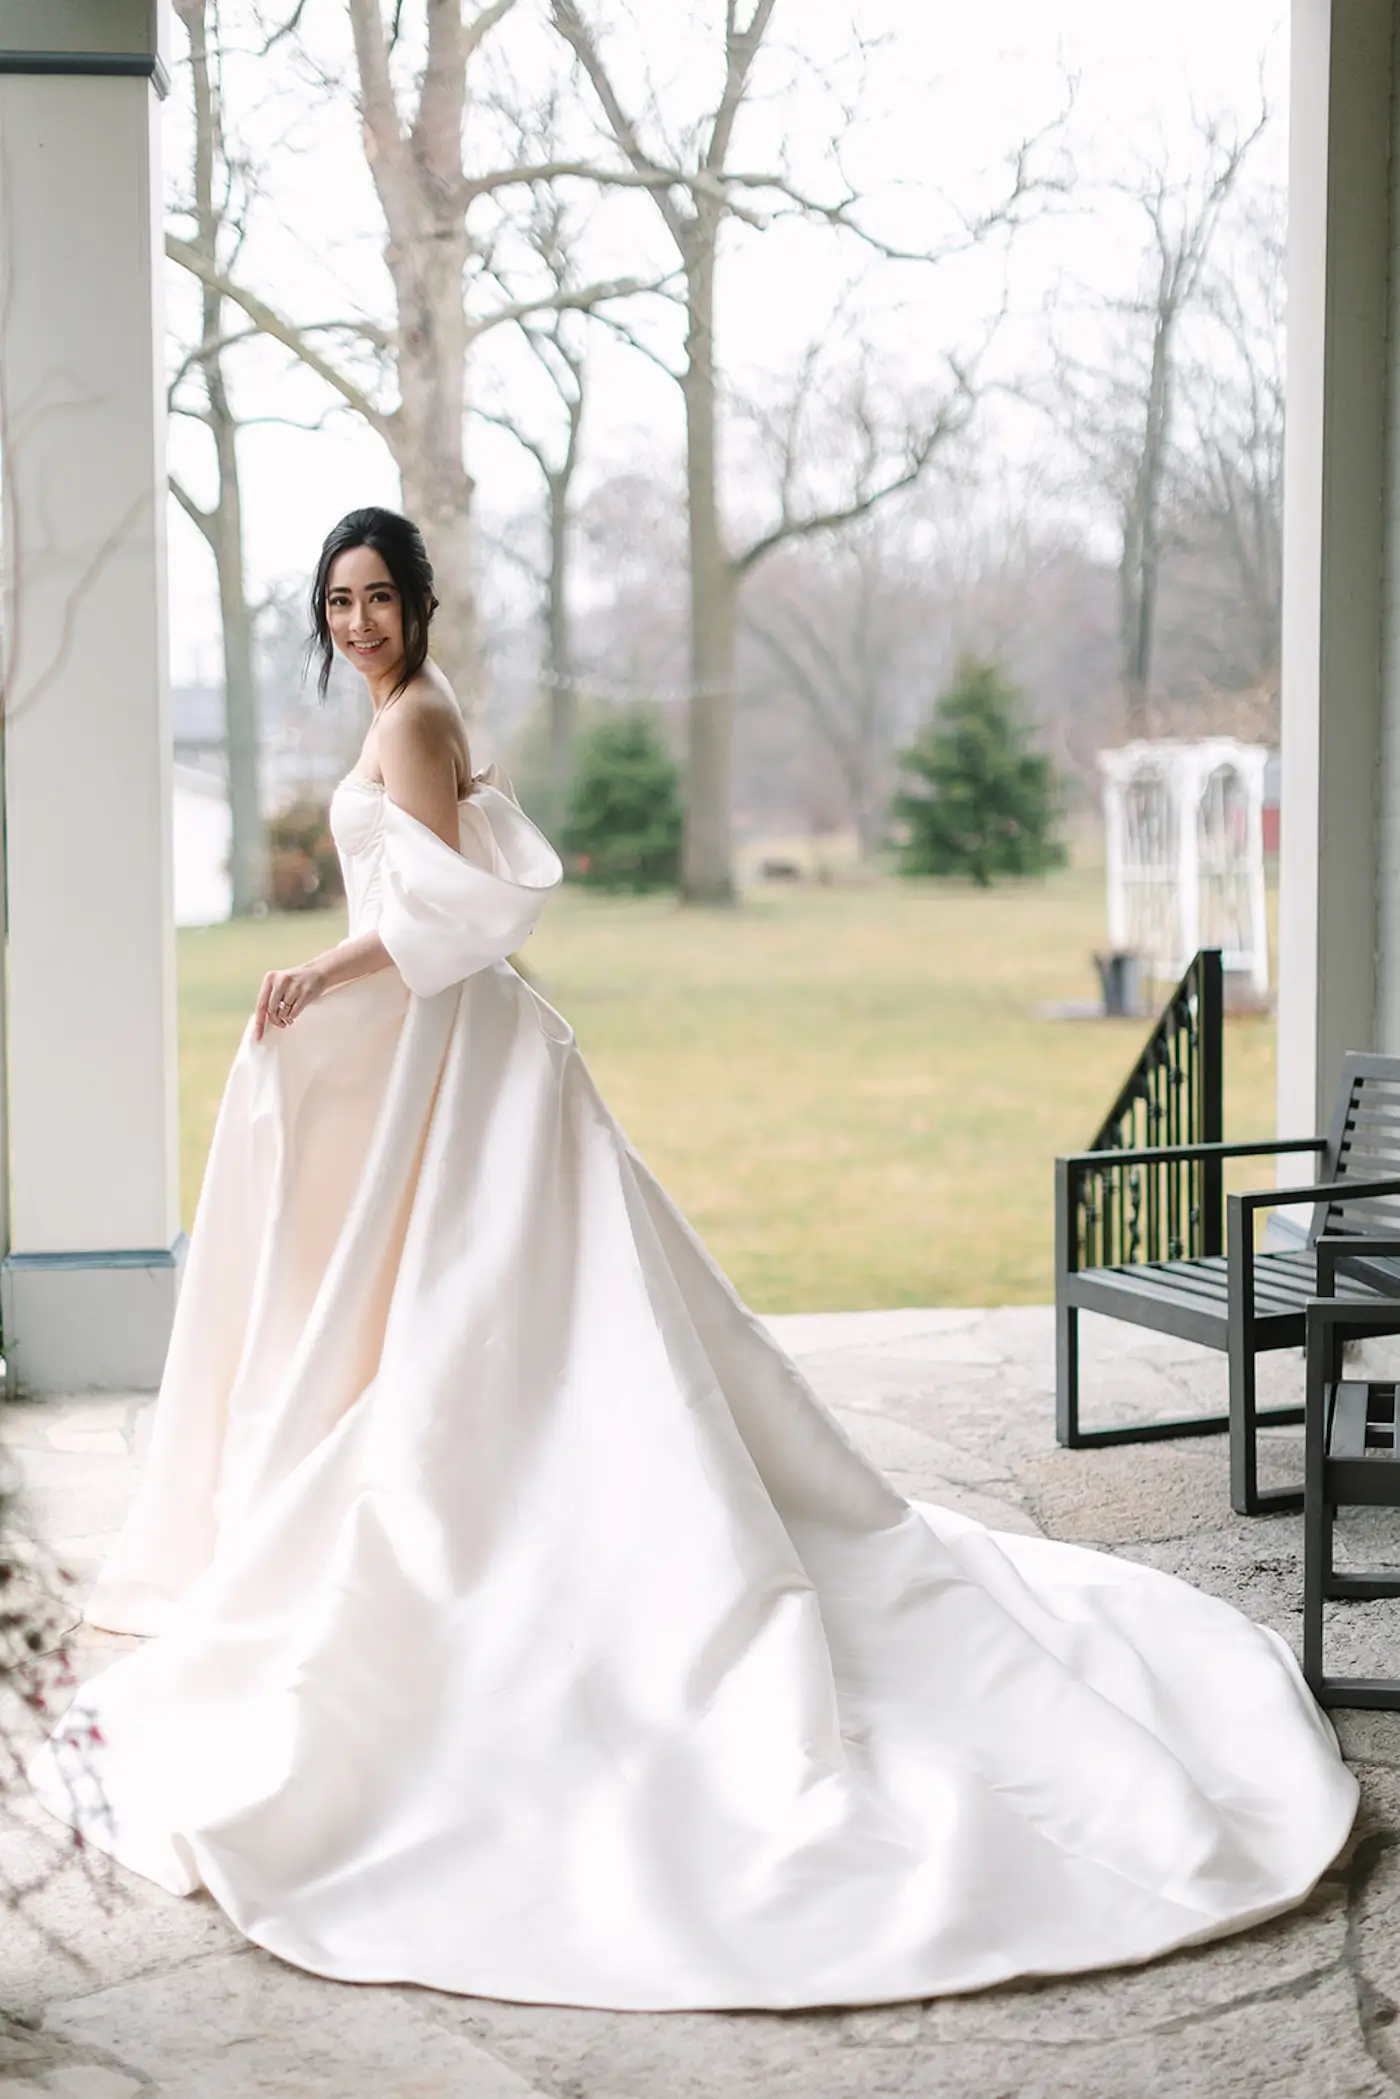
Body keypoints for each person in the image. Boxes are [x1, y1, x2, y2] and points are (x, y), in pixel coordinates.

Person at [28, 507, 1356, 2013]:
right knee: (464, 1310)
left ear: (418, 602)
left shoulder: (414, 716)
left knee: (492, 1311)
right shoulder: (408, 712)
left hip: (448, 1041)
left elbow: (437, 919)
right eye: (337, 601)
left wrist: (311, 973)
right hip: (434, 1046)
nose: (357, 622)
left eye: (377, 596)